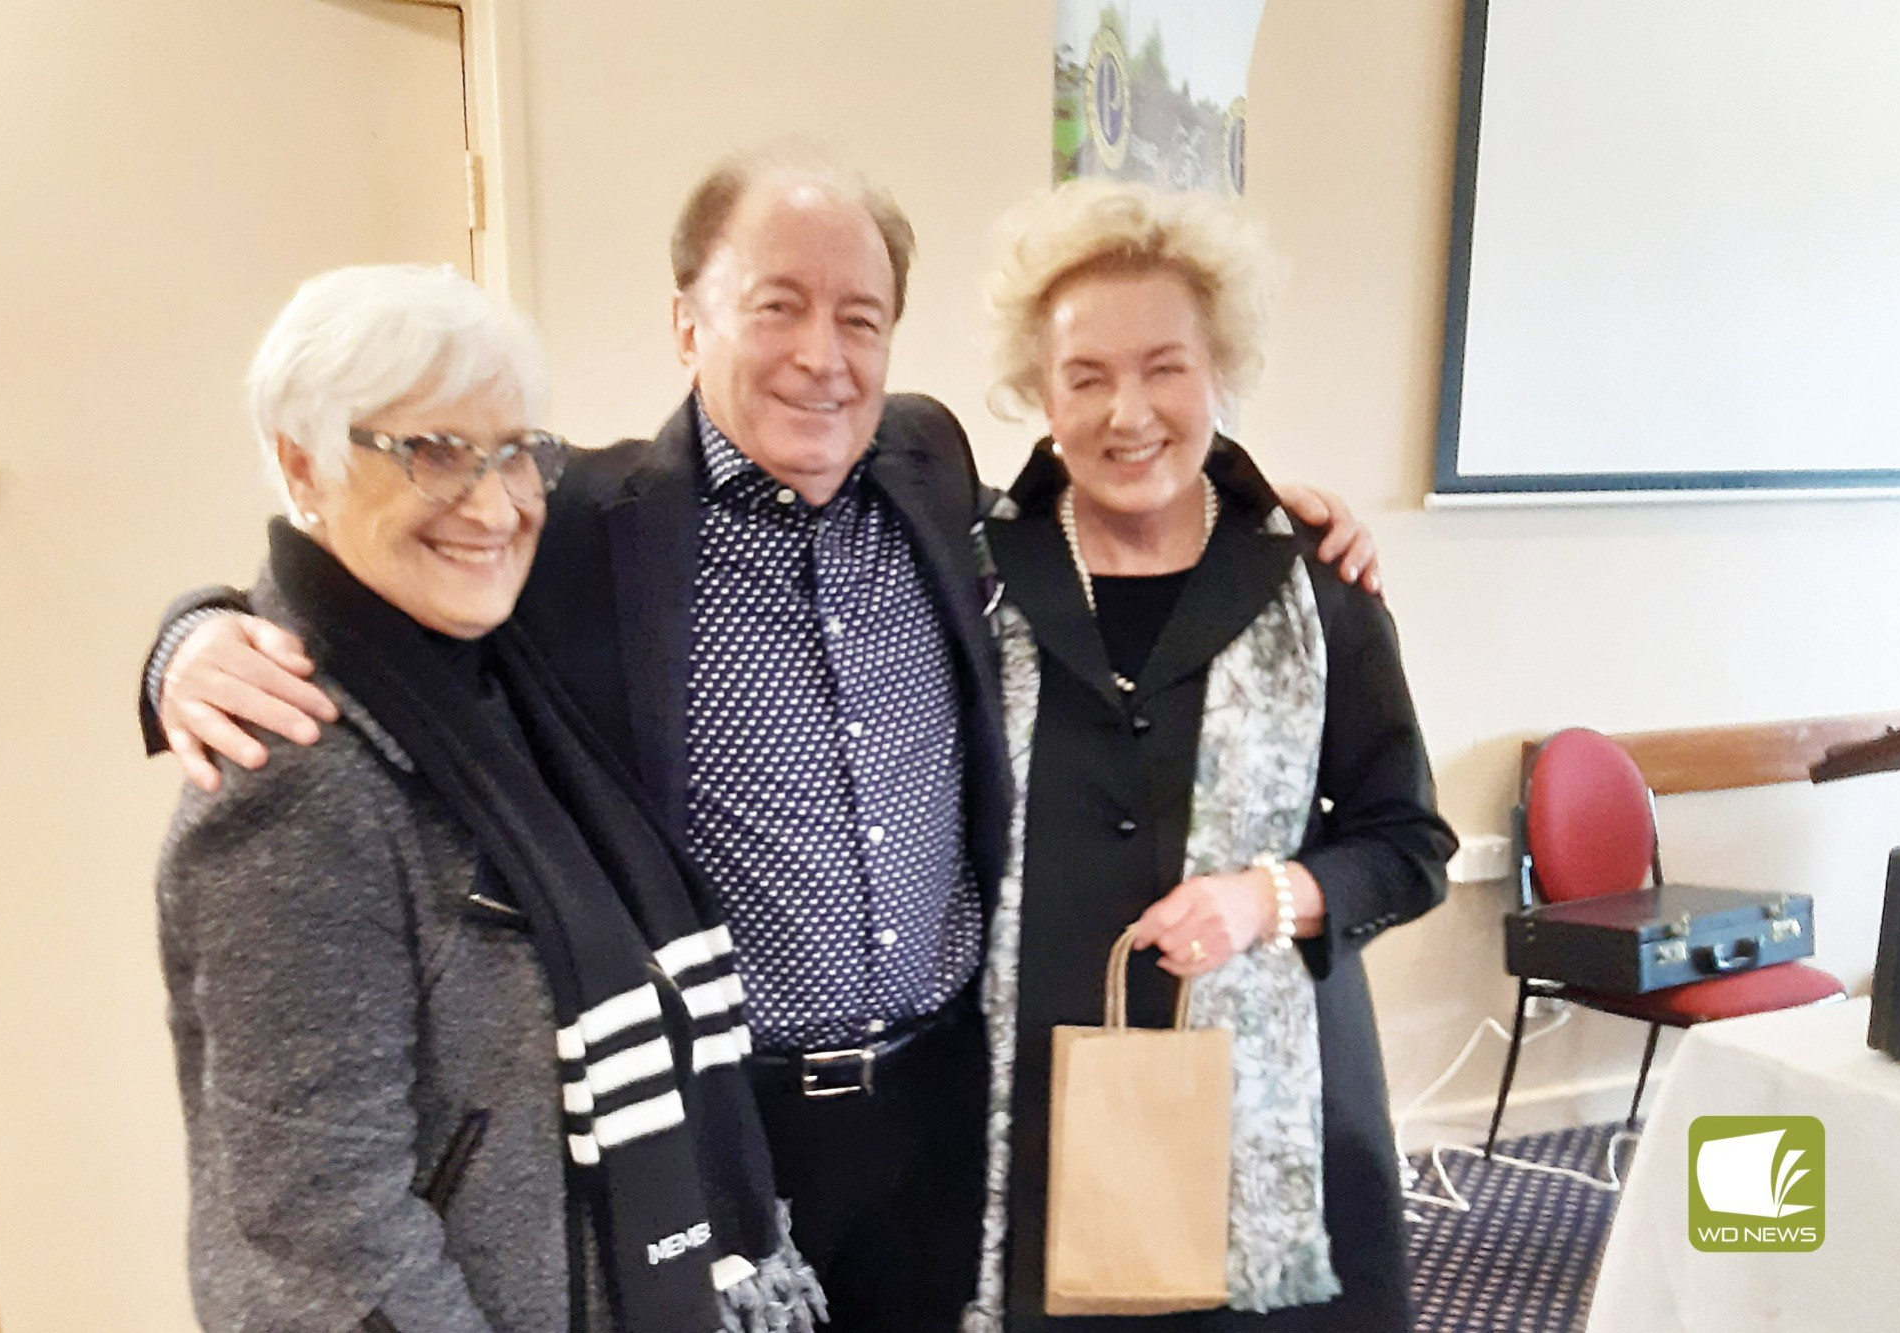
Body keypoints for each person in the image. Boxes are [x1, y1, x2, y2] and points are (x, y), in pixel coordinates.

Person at [138, 150, 1383, 1332]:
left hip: (943, 1098)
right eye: (774, 306)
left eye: (860, 316)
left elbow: (1119, 451)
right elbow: (395, 571)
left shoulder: (931, 460)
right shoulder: (575, 518)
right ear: (686, 323)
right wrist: (191, 641)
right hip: (722, 1124)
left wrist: (1276, 506)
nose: (819, 357)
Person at [156, 264, 820, 1333]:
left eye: (517, 451)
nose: (494, 500)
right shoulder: (296, 781)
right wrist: (185, 644)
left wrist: (181, 631)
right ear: (302, 464)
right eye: (431, 451)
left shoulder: (502, 678)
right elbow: (324, 1232)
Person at [960, 181, 1456, 1333]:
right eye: (1085, 375)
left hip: (1269, 1127)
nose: (1126, 411)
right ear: (1040, 390)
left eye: (1163, 366)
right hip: (1027, 1119)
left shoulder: (1313, 584)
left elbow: (1408, 843)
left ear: (1217, 369)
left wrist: (1267, 897)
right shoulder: (976, 580)